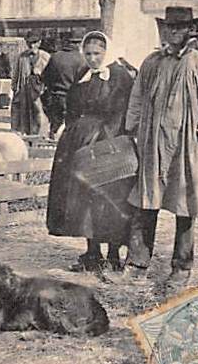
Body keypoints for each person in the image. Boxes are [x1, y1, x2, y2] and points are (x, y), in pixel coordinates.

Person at [118, 6, 198, 290]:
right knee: (145, 203)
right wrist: (134, 128)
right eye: (168, 27)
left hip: (186, 148)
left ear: (190, 30)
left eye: (179, 28)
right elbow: (137, 97)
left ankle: (181, 266)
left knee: (185, 207)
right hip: (153, 144)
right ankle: (137, 263)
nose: (172, 33)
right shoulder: (152, 62)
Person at [46, 31, 134, 272]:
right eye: (88, 54)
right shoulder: (83, 75)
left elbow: (123, 112)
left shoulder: (119, 77)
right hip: (81, 143)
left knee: (110, 200)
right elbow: (71, 108)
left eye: (97, 54)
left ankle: (114, 254)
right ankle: (92, 252)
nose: (93, 58)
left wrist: (103, 137)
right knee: (84, 199)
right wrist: (72, 130)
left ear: (107, 53)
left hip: (110, 144)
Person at [42, 33, 85, 138]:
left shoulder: (55, 57)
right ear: (79, 44)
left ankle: (52, 146)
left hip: (55, 96)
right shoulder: (81, 59)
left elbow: (45, 77)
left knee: (55, 125)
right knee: (71, 127)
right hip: (73, 98)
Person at [11, 31, 50, 136]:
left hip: (39, 90)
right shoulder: (22, 57)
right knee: (23, 113)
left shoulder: (45, 56)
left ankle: (39, 135)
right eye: (29, 43)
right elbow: (16, 73)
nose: (32, 45)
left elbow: (51, 74)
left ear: (39, 42)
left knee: (38, 112)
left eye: (34, 42)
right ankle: (25, 135)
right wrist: (15, 87)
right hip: (25, 89)